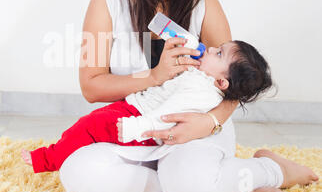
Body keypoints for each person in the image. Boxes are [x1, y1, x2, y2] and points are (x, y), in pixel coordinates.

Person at [54, 0, 317, 192]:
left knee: (186, 181)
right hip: (137, 129)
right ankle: (228, 190)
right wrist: (152, 77)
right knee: (79, 172)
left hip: (195, 131)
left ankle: (269, 170)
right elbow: (92, 86)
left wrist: (209, 123)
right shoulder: (107, 1)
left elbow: (233, 87)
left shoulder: (206, 6)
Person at [23, 40, 275, 173]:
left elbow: (168, 117)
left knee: (90, 126)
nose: (209, 48)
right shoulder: (200, 75)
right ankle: (57, 152)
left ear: (221, 81)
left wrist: (136, 128)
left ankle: (48, 158)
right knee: (90, 123)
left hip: (139, 121)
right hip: (133, 106)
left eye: (218, 53)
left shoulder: (201, 92)